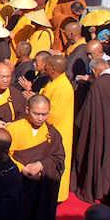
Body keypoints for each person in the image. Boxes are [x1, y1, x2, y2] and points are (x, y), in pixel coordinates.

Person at [6, 95, 65, 220]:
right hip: (19, 186)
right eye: (37, 114)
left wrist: (41, 164)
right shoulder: (14, 129)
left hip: (41, 190)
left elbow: (59, 158)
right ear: (27, 110)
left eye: (44, 114)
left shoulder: (52, 134)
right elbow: (3, 155)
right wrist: (21, 168)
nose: (40, 118)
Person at [75, 59, 110, 203]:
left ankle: (96, 189)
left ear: (94, 71)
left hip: (100, 128)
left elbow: (87, 113)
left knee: (99, 157)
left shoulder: (98, 84)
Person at [38, 55, 75, 201]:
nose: (45, 67)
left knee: (56, 162)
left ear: (53, 68)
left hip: (58, 131)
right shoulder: (55, 82)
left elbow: (54, 114)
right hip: (51, 130)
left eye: (47, 65)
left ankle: (57, 194)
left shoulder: (63, 88)